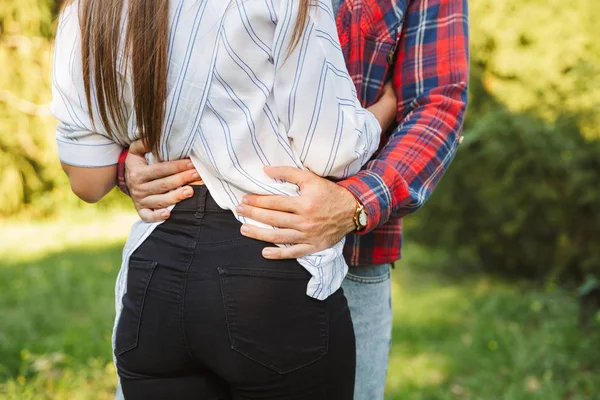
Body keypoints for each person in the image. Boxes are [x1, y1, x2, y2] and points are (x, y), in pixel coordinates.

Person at [117, 0, 470, 399]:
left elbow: (437, 104)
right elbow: (125, 63)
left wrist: (355, 202)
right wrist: (128, 164)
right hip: (178, 247)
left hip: (349, 259)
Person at [52, 0, 399, 398]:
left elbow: (87, 180)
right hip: (268, 269)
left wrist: (136, 160)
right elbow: (331, 150)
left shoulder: (87, 10)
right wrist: (381, 112)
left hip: (154, 280)